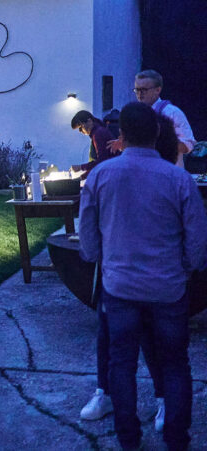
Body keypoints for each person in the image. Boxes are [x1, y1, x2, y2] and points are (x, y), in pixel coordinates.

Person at [79, 102, 207, 451]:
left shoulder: (101, 176)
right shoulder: (178, 178)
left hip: (119, 288)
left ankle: (128, 438)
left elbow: (87, 238)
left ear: (121, 136)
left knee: (121, 362)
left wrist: (101, 260)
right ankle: (176, 439)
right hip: (167, 287)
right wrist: (184, 268)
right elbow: (197, 241)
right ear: (156, 134)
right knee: (176, 364)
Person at [131, 70, 195, 166]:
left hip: (167, 172)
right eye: (137, 90)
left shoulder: (172, 112)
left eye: (144, 90)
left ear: (158, 90)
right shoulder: (135, 113)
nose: (140, 94)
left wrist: (160, 140)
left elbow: (188, 146)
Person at [70, 110, 118, 179]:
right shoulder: (98, 131)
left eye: (81, 127)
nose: (80, 131)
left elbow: (101, 161)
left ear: (89, 121)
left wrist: (81, 170)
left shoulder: (98, 134)